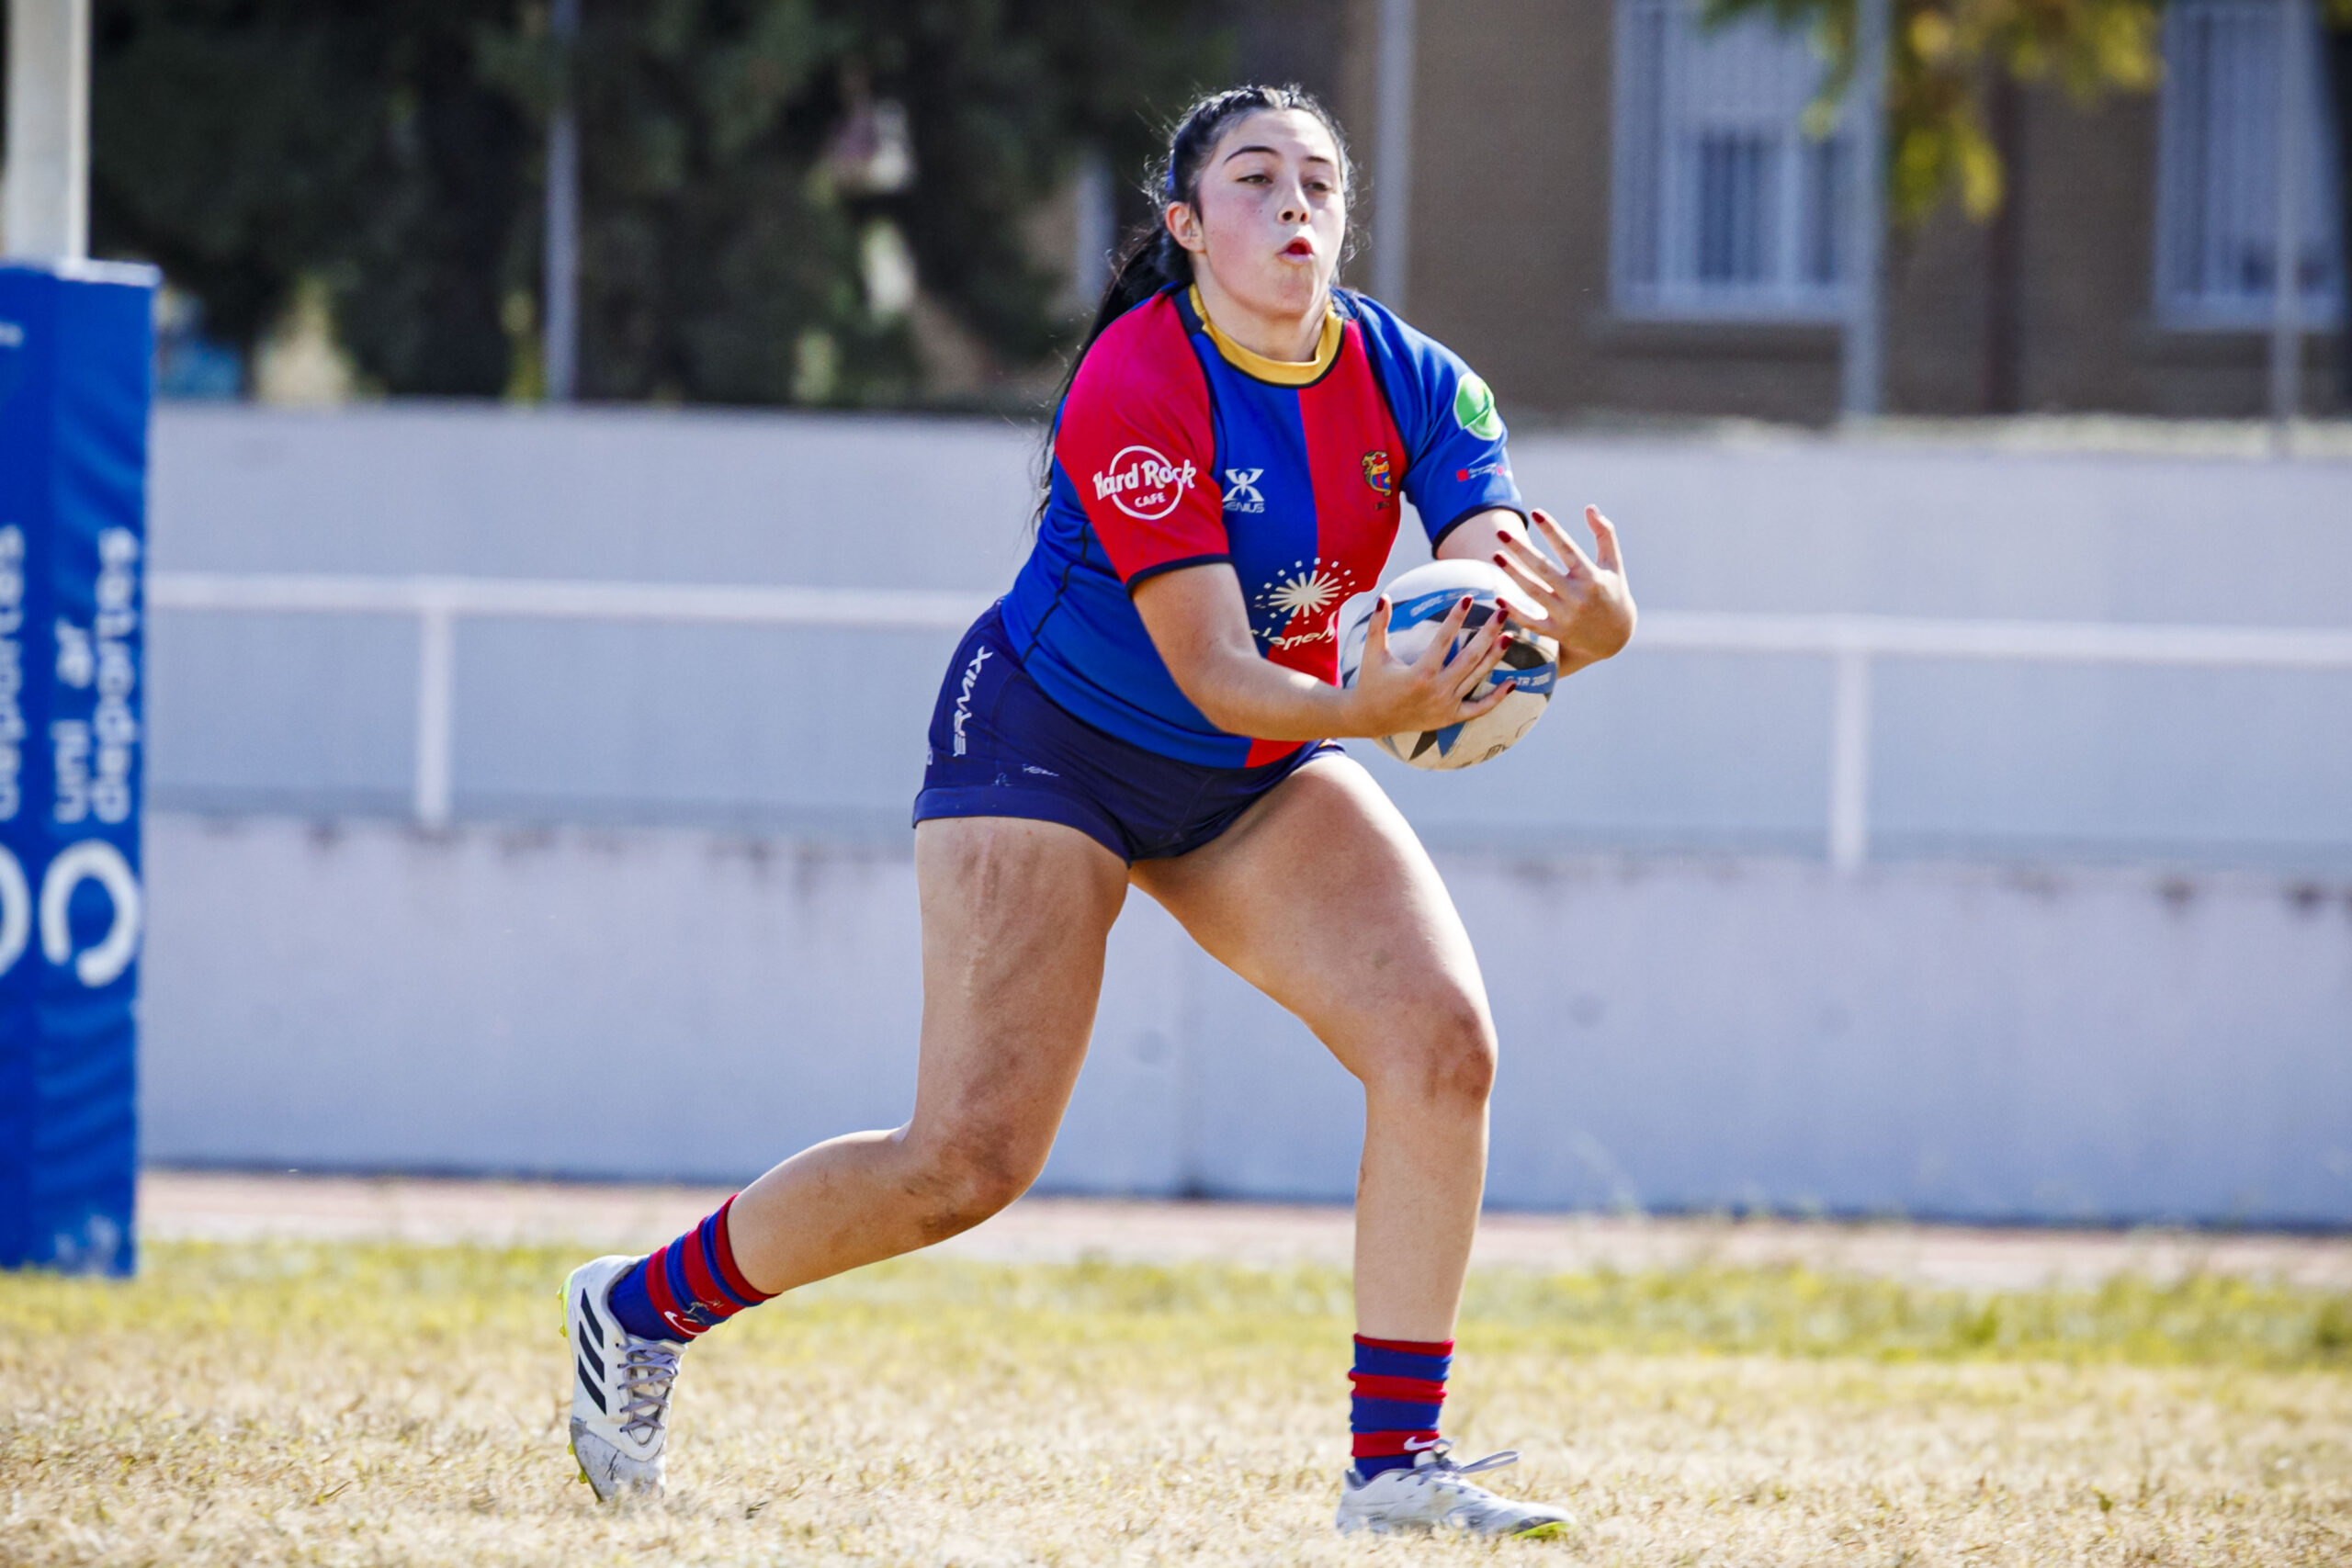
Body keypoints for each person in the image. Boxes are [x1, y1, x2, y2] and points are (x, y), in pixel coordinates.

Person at [560, 83, 1635, 1538]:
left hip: (1251, 767)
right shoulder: (1138, 380)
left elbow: (1487, 595)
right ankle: (638, 1308)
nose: (1297, 205)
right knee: (965, 1164)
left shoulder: (1421, 381)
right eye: (1256, 181)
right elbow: (1213, 668)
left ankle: (1395, 1469)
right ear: (1187, 227)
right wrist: (1373, 716)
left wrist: (1578, 630)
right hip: (1047, 746)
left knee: (1441, 1047)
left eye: (1320, 182)